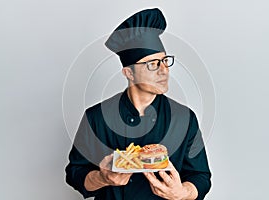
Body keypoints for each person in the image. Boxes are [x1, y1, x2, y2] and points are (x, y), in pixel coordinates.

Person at [65, 8, 211, 200]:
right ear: (129, 73)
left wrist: (182, 193)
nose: (164, 71)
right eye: (152, 64)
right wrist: (102, 177)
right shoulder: (97, 116)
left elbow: (201, 176)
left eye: (165, 61)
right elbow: (75, 174)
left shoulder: (184, 118)